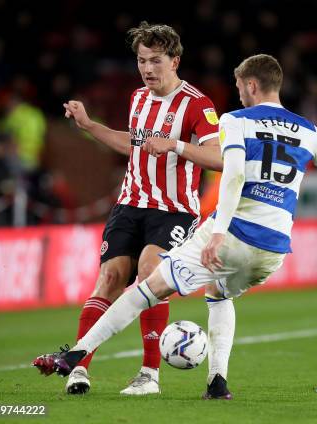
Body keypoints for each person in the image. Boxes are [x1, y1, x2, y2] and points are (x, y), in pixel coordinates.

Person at [32, 53, 317, 399]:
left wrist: (218, 236)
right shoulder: (310, 130)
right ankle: (217, 382)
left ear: (251, 85)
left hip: (232, 233)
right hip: (274, 249)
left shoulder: (237, 120)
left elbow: (233, 176)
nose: (239, 94)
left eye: (239, 87)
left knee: (148, 287)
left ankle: (76, 355)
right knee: (220, 294)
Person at [33, 22, 226, 396]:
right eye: (141, 61)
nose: (147, 69)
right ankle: (78, 369)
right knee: (109, 278)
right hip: (129, 204)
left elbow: (218, 157)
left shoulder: (198, 104)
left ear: (175, 61)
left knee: (150, 273)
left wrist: (174, 145)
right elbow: (134, 144)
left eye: (155, 61)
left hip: (173, 210)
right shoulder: (138, 98)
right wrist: (90, 126)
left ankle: (149, 374)